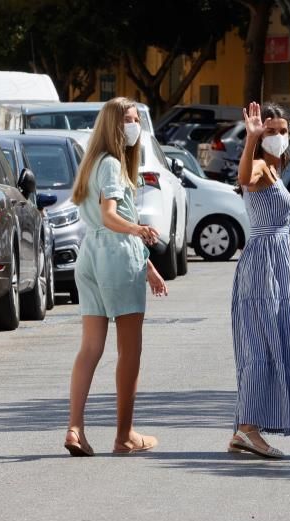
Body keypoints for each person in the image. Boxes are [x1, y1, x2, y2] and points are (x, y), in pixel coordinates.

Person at [64, 97, 168, 457]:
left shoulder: (91, 162)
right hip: (115, 255)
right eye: (128, 119)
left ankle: (75, 428)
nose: (134, 126)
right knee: (130, 351)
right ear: (112, 124)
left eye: (136, 119)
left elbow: (104, 220)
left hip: (90, 255)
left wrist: (149, 267)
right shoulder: (112, 165)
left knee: (90, 348)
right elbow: (111, 216)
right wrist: (139, 231)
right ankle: (124, 435)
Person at [228, 101, 290, 459]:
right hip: (261, 266)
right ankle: (247, 429)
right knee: (259, 350)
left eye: (281, 131)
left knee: (273, 346)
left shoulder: (277, 170)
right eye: (270, 131)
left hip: (276, 267)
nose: (276, 137)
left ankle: (247, 427)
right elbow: (244, 178)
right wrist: (251, 140)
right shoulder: (259, 164)